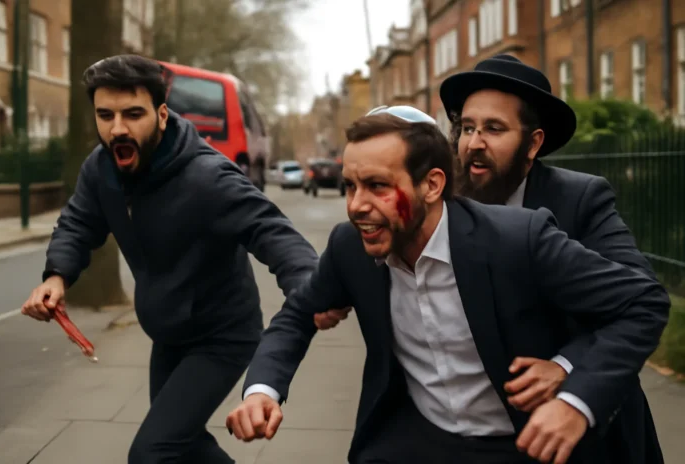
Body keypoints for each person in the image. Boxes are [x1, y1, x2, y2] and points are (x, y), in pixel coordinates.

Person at [225, 105, 671, 464]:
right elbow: (298, 314)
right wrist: (262, 391)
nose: (357, 205)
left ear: (432, 185)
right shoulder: (350, 247)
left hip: (523, 442)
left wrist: (576, 400)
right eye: (350, 186)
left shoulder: (517, 240)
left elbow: (643, 303)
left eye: (377, 186)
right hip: (414, 442)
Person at [20, 54, 325, 464]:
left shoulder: (206, 176)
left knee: (152, 452)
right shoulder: (101, 169)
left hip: (222, 336)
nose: (117, 128)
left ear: (162, 115)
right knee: (182, 444)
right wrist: (56, 277)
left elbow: (272, 231)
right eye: (105, 115)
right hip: (168, 334)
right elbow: (78, 221)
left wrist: (313, 291)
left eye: (133, 114)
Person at [439, 54, 663, 464]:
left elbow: (641, 298)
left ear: (534, 143)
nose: (474, 143)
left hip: (582, 437)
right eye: (467, 128)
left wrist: (566, 366)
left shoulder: (579, 198)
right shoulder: (445, 203)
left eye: (494, 128)